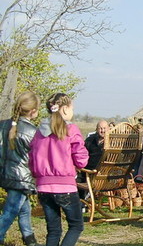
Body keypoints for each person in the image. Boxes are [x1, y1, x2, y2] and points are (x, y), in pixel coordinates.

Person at [29, 93, 89, 246]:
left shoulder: (39, 132)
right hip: (65, 185)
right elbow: (81, 159)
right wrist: (79, 162)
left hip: (43, 186)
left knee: (54, 230)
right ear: (64, 109)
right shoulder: (71, 129)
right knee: (76, 226)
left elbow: (32, 157)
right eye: (72, 108)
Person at [0, 92, 43, 246]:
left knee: (24, 209)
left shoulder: (4, 124)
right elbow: (37, 157)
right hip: (22, 177)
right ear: (33, 111)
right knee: (10, 212)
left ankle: (29, 239)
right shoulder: (32, 132)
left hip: (6, 173)